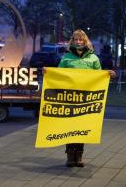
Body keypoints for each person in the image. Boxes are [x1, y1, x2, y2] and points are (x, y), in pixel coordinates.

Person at [45, 29, 116, 168]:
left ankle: (79, 155)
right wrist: (48, 72)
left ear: (85, 41)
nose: (78, 42)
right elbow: (58, 74)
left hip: (86, 99)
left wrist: (109, 74)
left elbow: (99, 76)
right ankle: (70, 156)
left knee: (82, 126)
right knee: (70, 126)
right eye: (76, 39)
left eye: (81, 40)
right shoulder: (66, 58)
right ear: (72, 41)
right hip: (69, 98)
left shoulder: (93, 58)